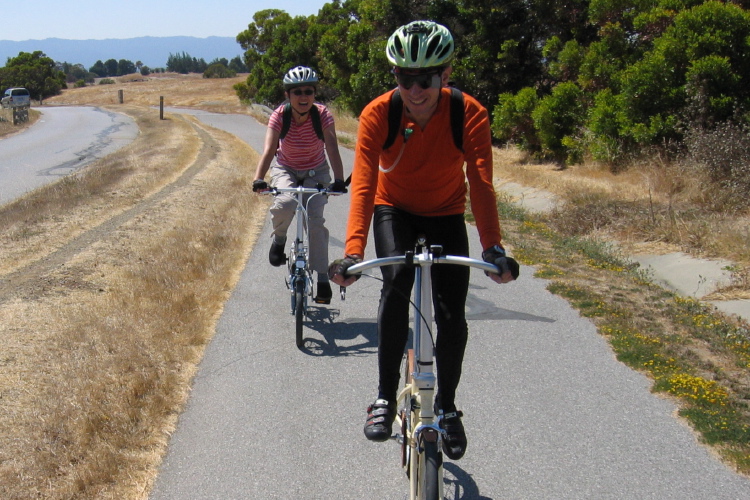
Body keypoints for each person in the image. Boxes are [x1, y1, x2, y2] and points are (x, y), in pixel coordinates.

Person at [328, 21, 519, 460]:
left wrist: (493, 248)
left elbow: (482, 182)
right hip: (393, 209)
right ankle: (381, 397)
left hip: (446, 212)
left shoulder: (469, 113)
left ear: (445, 75)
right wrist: (354, 251)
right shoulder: (378, 113)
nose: (415, 90)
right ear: (395, 77)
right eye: (404, 78)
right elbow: (363, 186)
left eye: (426, 79)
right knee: (396, 287)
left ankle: (448, 407)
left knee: (452, 316)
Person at [253, 66, 347, 304]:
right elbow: (269, 149)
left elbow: (332, 147)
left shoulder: (322, 114)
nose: (303, 97)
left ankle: (322, 277)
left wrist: (338, 180)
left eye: (309, 91)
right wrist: (258, 178)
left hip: (316, 170)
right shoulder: (280, 115)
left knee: (315, 221)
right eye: (297, 92)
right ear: (288, 95)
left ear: (315, 94)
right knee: (285, 202)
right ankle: (280, 238)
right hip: (286, 168)